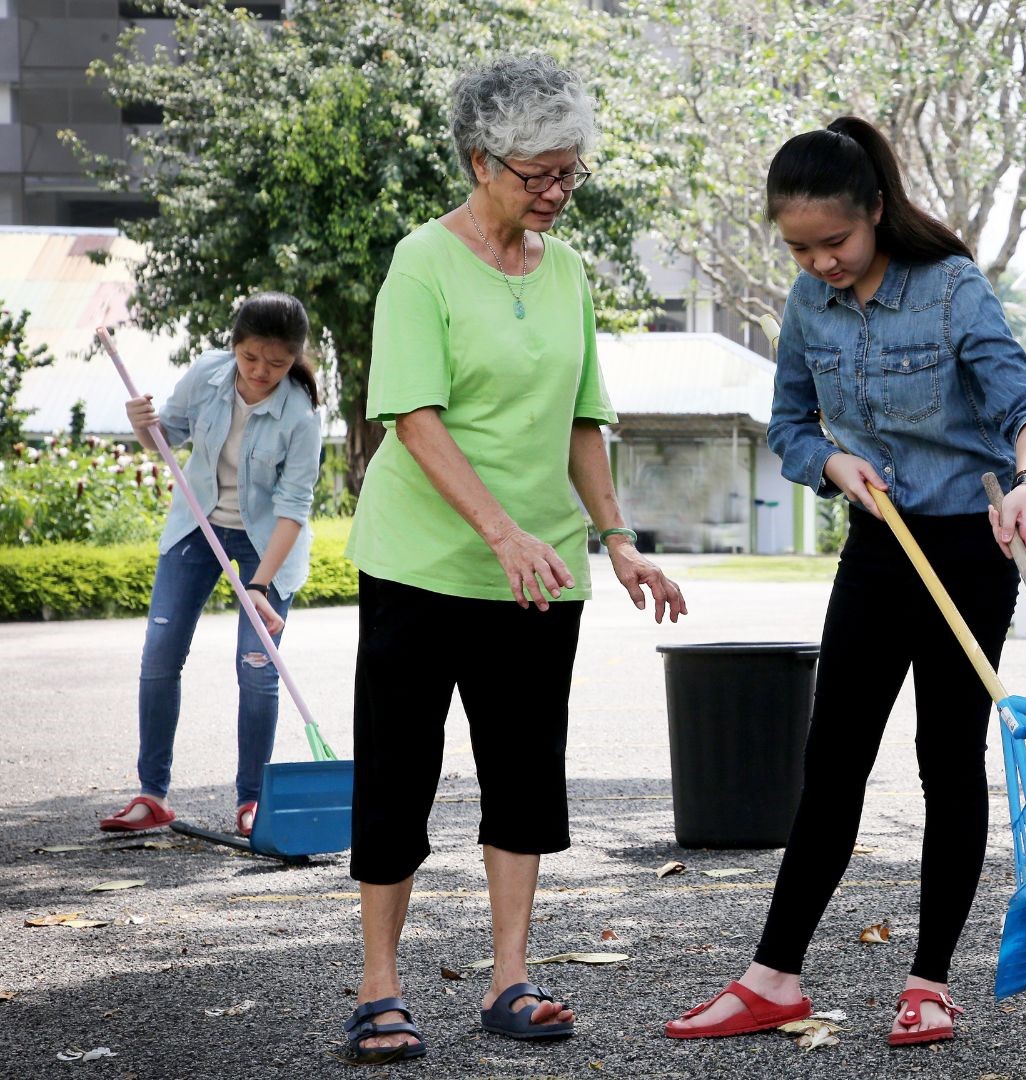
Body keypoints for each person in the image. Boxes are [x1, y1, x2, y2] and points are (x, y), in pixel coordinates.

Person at [665, 116, 1026, 1048]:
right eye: (799, 247)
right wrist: (831, 466)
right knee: (833, 761)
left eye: (834, 242)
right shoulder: (808, 306)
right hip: (879, 547)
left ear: (876, 212)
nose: (819, 263)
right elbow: (793, 425)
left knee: (945, 758)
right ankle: (774, 978)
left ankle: (929, 981)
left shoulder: (951, 289)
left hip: (972, 547)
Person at [334, 54, 686, 1066]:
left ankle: (510, 977)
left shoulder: (566, 271)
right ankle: (379, 985)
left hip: (539, 575)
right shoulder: (423, 262)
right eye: (539, 175)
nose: (557, 192)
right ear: (482, 161)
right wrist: (499, 529)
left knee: (526, 773)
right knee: (399, 771)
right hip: (424, 564)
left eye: (570, 173)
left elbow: (583, 418)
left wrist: (617, 542)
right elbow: (412, 417)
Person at [100, 292, 323, 841]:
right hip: (195, 529)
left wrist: (261, 586)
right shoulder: (208, 375)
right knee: (160, 656)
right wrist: (140, 422)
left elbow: (293, 509)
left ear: (295, 357)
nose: (261, 372)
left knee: (257, 669)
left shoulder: (302, 416)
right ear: (234, 346)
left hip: (266, 547)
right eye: (250, 358)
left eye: (276, 363)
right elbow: (166, 438)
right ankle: (152, 795)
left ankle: (250, 801)